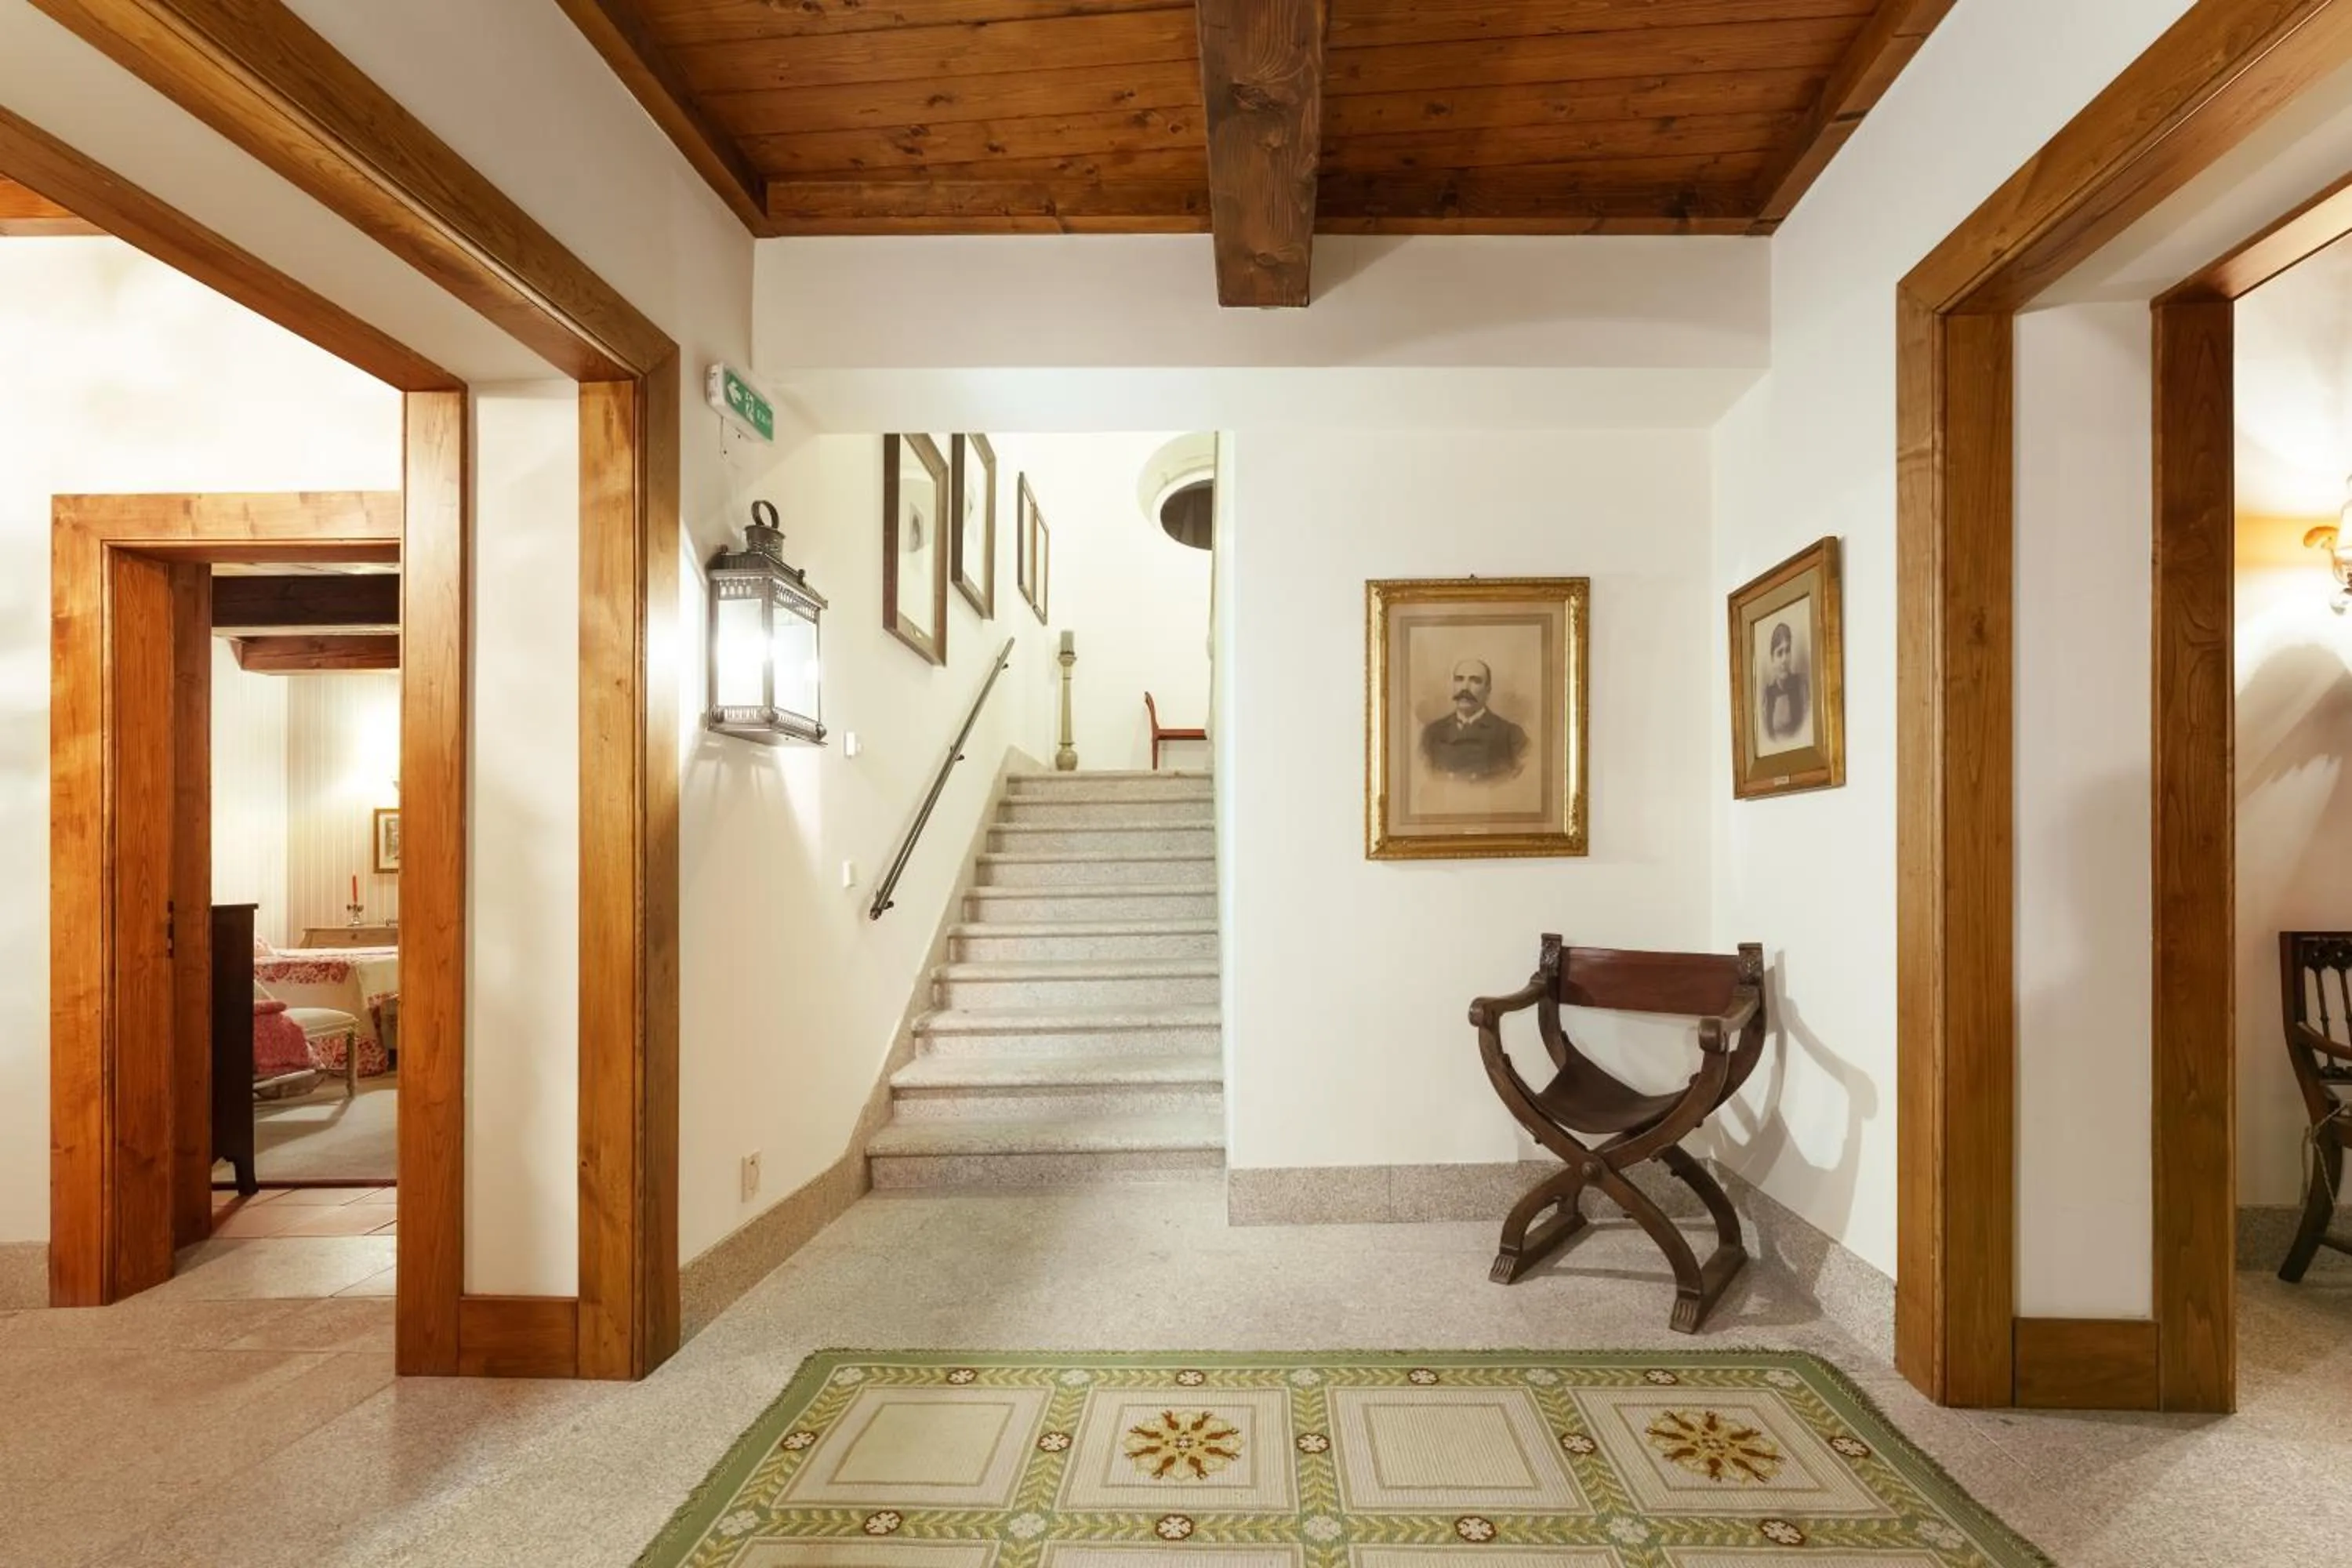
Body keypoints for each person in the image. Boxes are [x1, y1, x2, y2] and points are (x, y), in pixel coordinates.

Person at [1421, 659, 1528, 781]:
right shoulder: (1432, 733)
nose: (1465, 688)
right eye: (1459, 679)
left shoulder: (1511, 735)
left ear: (1488, 689)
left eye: (1475, 681)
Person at [1761, 619, 1809, 744]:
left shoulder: (1801, 686)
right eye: (1779, 653)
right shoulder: (1768, 695)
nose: (1785, 659)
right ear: (1772, 658)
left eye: (1787, 651)